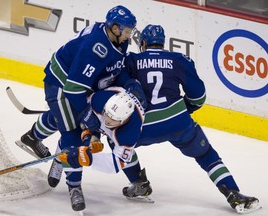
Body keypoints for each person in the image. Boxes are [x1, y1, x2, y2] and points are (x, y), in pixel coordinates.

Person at [15, 5, 146, 212]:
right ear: (114, 28)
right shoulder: (95, 47)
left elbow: (114, 70)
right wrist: (88, 118)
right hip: (61, 84)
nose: (130, 35)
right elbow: (73, 89)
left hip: (80, 84)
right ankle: (74, 187)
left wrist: (129, 83)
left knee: (69, 118)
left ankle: (36, 139)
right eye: (127, 30)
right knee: (73, 132)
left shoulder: (120, 41)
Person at [118, 24, 261, 214]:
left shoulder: (131, 60)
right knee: (206, 154)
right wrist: (182, 110)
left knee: (119, 145)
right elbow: (198, 96)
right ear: (163, 43)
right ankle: (233, 193)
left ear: (143, 43)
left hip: (144, 127)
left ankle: (138, 182)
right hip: (178, 122)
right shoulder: (178, 59)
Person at [59, 86, 153, 205]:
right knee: (68, 126)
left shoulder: (129, 132)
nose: (107, 120)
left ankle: (138, 181)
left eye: (112, 118)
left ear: (123, 120)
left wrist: (87, 159)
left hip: (144, 125)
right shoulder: (99, 100)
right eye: (106, 114)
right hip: (110, 95)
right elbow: (84, 116)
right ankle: (44, 142)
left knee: (115, 143)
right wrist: (92, 136)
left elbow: (116, 163)